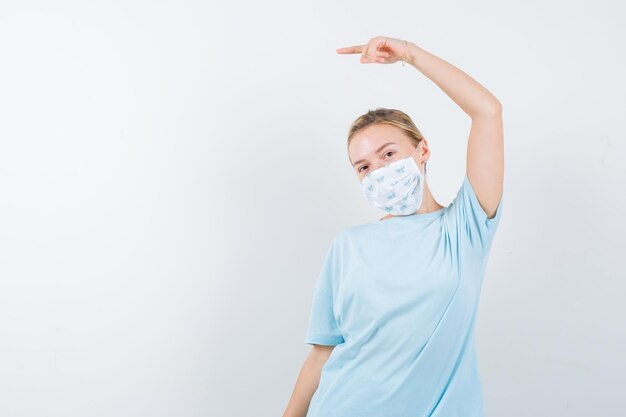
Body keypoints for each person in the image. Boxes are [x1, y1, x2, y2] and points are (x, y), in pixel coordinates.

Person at [282, 36, 504, 417]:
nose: (378, 171)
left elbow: (488, 111)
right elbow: (322, 353)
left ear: (422, 150)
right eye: (364, 167)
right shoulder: (348, 246)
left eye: (388, 153)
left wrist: (409, 55)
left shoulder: (465, 228)